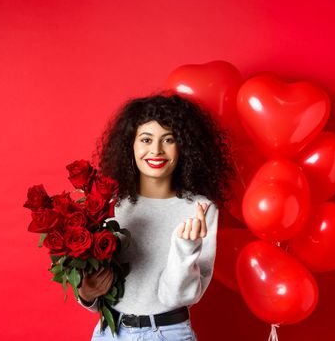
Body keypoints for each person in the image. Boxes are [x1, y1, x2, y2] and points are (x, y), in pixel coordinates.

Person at [78, 92, 233, 340]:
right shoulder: (110, 204)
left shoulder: (201, 210)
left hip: (168, 333)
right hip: (110, 332)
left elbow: (176, 298)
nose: (156, 150)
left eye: (168, 139)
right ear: (131, 144)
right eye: (146, 139)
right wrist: (86, 293)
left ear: (184, 146)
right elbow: (98, 296)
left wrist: (185, 247)